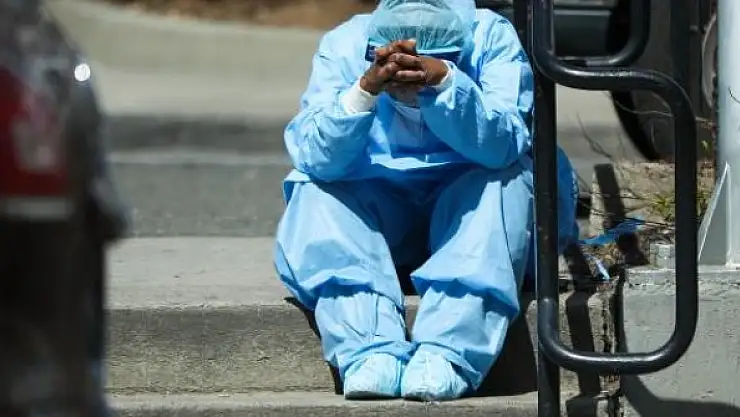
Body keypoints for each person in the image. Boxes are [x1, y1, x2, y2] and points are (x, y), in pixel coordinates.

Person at [274, 0, 579, 402]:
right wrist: (364, 91)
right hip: (383, 217)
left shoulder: (490, 36)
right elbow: (316, 156)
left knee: (505, 179)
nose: (407, 71)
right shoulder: (345, 42)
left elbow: (504, 143)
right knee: (315, 190)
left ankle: (448, 349)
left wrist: (446, 82)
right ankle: (369, 348)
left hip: (469, 213)